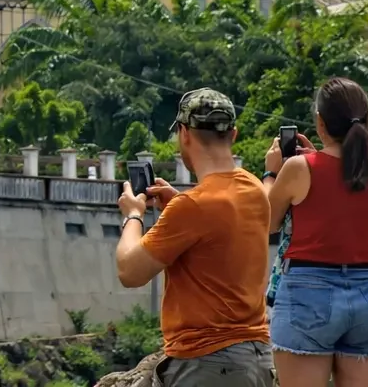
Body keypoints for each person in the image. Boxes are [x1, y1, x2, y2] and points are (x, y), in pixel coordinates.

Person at [116, 88, 273, 387]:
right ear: (234, 134)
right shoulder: (253, 189)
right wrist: (178, 202)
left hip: (207, 363)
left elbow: (129, 271)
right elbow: (220, 227)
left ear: (184, 134)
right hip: (256, 359)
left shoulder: (192, 208)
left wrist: (133, 215)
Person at [264, 78, 368, 386]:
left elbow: (267, 221)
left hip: (309, 292)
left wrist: (271, 172)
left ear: (320, 123)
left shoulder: (298, 168)